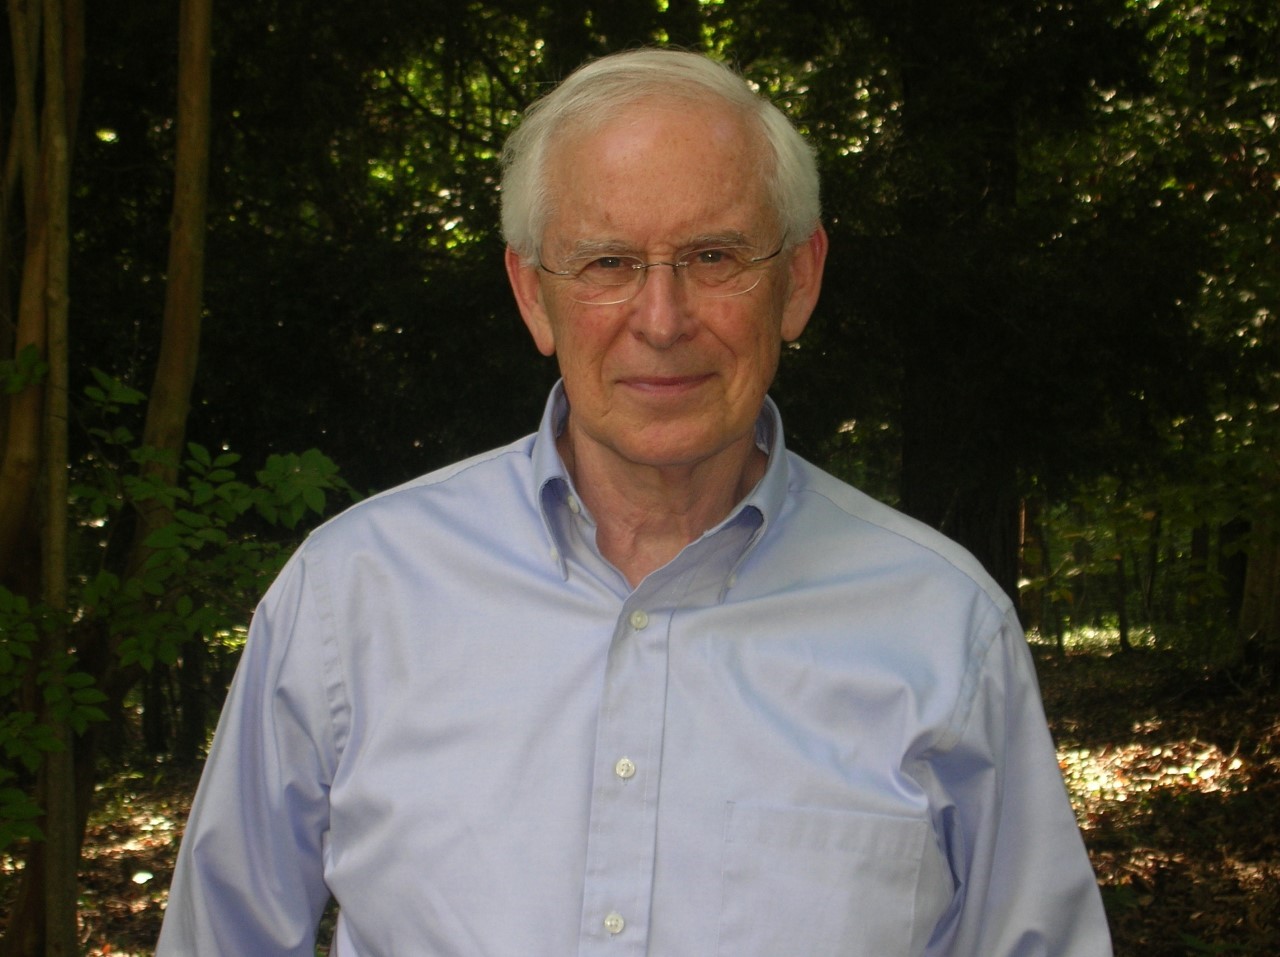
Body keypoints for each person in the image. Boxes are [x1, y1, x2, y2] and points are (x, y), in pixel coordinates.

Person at [156, 48, 1113, 956]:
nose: (663, 320)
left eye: (713, 256)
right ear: (534, 295)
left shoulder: (946, 629)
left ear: (800, 280)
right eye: (608, 263)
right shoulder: (350, 596)